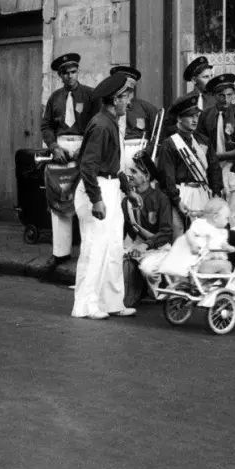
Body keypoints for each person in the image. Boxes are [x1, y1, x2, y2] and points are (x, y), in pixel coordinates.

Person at [71, 71, 136, 320]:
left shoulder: (111, 122)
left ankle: (112, 302)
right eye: (126, 97)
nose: (129, 102)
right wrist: (96, 199)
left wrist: (128, 191)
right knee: (94, 249)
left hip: (109, 187)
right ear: (115, 99)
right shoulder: (100, 125)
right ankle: (85, 305)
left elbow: (115, 165)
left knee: (113, 248)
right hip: (95, 189)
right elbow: (87, 166)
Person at [40, 53, 98, 275]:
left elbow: (95, 125)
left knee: (84, 200)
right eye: (65, 73)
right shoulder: (55, 98)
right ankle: (60, 252)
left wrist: (86, 151)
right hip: (62, 149)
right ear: (60, 75)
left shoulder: (90, 95)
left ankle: (88, 252)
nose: (70, 76)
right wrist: (54, 146)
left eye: (73, 71)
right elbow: (46, 126)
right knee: (60, 197)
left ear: (78, 72)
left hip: (84, 148)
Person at [157, 93, 224, 237]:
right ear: (180, 118)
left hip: (202, 192)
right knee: (181, 234)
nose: (195, 120)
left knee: (205, 235)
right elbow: (167, 177)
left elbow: (214, 169)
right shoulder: (170, 144)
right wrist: (176, 199)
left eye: (196, 116)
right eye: (190, 116)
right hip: (182, 193)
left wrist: (216, 192)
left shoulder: (203, 140)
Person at [197, 74, 235, 225]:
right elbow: (200, 143)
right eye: (221, 96)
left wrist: (218, 156)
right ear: (215, 96)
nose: (226, 100)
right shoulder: (205, 116)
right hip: (212, 169)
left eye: (229, 95)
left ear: (234, 95)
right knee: (215, 214)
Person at [124, 152, 174, 301]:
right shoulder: (126, 201)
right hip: (136, 247)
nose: (129, 175)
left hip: (158, 249)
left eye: (134, 172)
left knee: (147, 269)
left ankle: (159, 292)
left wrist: (145, 246)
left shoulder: (161, 199)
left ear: (146, 177)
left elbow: (166, 233)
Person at [158, 197, 235, 280]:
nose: (228, 221)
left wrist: (227, 247)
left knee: (227, 265)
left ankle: (225, 284)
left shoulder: (222, 232)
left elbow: (222, 243)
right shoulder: (201, 225)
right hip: (199, 262)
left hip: (212, 260)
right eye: (226, 218)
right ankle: (231, 284)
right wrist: (193, 244)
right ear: (216, 218)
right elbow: (189, 233)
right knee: (225, 265)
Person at [109, 65, 160, 150]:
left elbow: (158, 136)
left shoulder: (147, 108)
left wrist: (147, 152)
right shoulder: (108, 108)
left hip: (138, 154)